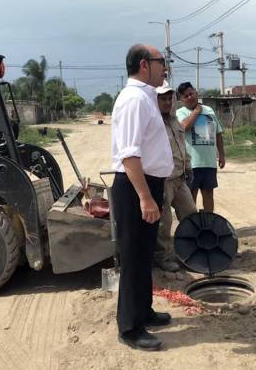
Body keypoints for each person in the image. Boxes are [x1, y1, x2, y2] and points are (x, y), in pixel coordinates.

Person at [111, 44, 173, 351]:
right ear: (144, 65)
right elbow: (130, 155)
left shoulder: (146, 98)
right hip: (136, 186)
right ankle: (130, 328)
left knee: (145, 254)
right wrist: (146, 198)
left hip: (149, 185)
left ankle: (143, 311)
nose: (166, 67)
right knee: (133, 258)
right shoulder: (133, 100)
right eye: (162, 62)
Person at [155, 83, 197, 272]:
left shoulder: (173, 121)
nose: (166, 102)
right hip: (164, 181)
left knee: (190, 213)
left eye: (169, 98)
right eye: (162, 99)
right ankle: (162, 258)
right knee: (164, 223)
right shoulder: (153, 123)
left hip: (180, 178)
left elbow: (182, 147)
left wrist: (188, 167)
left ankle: (190, 250)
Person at [176, 82, 225, 212]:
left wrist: (222, 155)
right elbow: (185, 127)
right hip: (191, 164)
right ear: (181, 99)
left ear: (196, 93)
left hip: (209, 162)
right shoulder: (180, 113)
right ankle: (192, 226)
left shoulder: (209, 111)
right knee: (190, 196)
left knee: (208, 193)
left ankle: (209, 223)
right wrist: (197, 111)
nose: (190, 97)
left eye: (191, 93)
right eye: (186, 96)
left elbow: (218, 133)